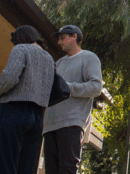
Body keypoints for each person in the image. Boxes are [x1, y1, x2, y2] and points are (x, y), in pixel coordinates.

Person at [0, 26, 55, 174]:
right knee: (27, 167)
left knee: (2, 163)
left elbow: (9, 77)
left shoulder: (21, 49)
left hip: (14, 110)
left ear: (20, 38)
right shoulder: (49, 58)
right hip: (38, 116)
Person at [43, 25, 103, 174]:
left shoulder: (89, 57)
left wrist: (67, 87)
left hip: (72, 123)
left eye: (63, 38)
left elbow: (96, 87)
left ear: (75, 36)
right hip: (49, 125)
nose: (59, 42)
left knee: (67, 169)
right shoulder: (59, 63)